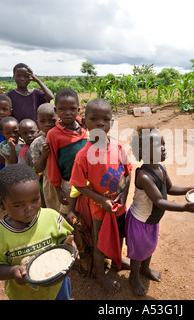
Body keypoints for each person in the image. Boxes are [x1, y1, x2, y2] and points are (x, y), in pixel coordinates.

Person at [126, 125, 194, 296]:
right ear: (144, 151)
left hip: (152, 220)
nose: (163, 147)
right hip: (140, 222)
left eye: (163, 143)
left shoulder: (160, 168)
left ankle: (145, 269)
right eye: (158, 145)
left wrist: (188, 189)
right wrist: (185, 208)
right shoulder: (144, 176)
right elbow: (160, 201)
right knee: (137, 252)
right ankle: (134, 276)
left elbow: (169, 188)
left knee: (149, 246)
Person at [0, 164, 78, 300]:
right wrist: (12, 272)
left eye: (35, 200)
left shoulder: (52, 218)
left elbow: (66, 240)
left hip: (58, 287)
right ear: (2, 204)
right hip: (25, 295)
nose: (29, 208)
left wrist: (70, 245)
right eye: (18, 205)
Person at [69, 98, 132, 293]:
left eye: (105, 119)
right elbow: (79, 185)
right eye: (94, 119)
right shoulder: (83, 155)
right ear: (84, 121)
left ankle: (116, 259)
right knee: (99, 243)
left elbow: (128, 173)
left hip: (118, 205)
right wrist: (102, 200)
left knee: (119, 234)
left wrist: (123, 195)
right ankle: (100, 274)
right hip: (99, 208)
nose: (100, 123)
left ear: (111, 123)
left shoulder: (118, 147)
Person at [46, 88, 88, 216]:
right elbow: (52, 162)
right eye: (62, 109)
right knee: (72, 214)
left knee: (88, 212)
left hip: (89, 181)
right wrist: (58, 189)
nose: (67, 113)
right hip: (68, 183)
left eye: (72, 108)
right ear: (55, 111)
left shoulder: (85, 126)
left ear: (78, 110)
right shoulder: (53, 134)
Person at [31, 103, 61, 211]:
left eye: (52, 120)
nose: (47, 124)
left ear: (59, 118)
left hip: (67, 182)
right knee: (55, 211)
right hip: (50, 185)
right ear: (37, 122)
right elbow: (38, 168)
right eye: (42, 121)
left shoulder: (66, 137)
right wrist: (44, 155)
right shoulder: (37, 143)